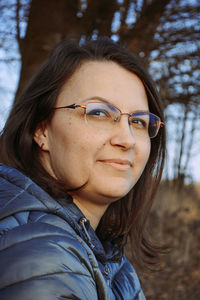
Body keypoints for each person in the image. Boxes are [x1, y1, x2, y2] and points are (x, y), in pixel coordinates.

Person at [0, 37, 165, 300]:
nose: (127, 139)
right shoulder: (45, 257)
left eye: (138, 121)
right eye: (98, 113)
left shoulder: (104, 253)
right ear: (41, 129)